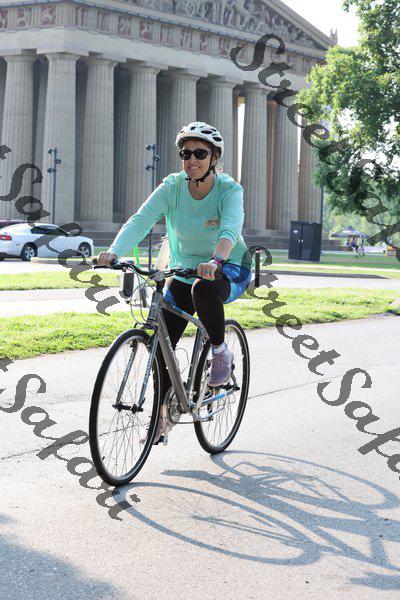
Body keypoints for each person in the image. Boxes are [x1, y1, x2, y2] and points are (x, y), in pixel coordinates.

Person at [97, 121, 252, 443]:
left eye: (200, 153)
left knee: (203, 288)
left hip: (229, 266)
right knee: (161, 344)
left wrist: (216, 260)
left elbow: (229, 229)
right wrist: (114, 251)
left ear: (214, 158)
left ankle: (220, 351)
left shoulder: (229, 190)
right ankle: (163, 415)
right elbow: (141, 220)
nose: (191, 159)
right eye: (185, 154)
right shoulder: (172, 186)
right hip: (183, 268)